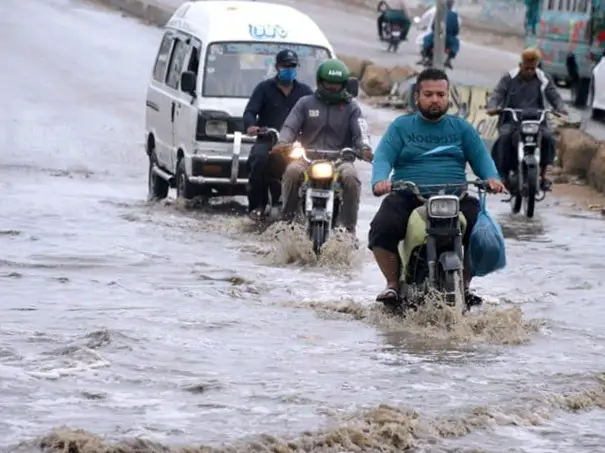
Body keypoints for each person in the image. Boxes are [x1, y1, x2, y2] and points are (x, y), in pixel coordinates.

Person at [368, 68, 505, 305]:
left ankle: (465, 284)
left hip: (455, 196)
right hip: (409, 196)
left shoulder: (462, 129)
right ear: (417, 97)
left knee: (482, 234)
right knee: (382, 228)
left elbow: (482, 158)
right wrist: (380, 180)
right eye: (429, 94)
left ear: (447, 97)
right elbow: (383, 156)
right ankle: (392, 285)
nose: (435, 100)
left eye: (440, 95)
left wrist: (492, 178)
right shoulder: (401, 127)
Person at [273, 59, 372, 236]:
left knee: (352, 178)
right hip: (307, 159)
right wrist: (283, 142)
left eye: (337, 84)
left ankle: (349, 230)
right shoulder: (305, 103)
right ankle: (286, 221)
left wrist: (364, 148)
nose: (333, 87)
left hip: (341, 160)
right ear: (320, 82)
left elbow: (361, 131)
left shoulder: (352, 108)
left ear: (345, 84)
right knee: (292, 172)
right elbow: (290, 127)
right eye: (329, 83)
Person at [243, 49, 314, 221]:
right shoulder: (264, 88)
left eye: (292, 66)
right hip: (269, 140)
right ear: (277, 67)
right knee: (259, 161)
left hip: (297, 144)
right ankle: (257, 206)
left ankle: (313, 208)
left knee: (316, 165)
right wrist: (252, 126)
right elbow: (250, 111)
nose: (289, 69)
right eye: (285, 66)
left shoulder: (305, 92)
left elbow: (315, 113)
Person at [486, 48, 568, 192]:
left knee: (548, 138)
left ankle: (543, 175)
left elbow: (554, 96)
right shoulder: (509, 78)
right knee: (504, 138)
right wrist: (493, 106)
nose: (530, 71)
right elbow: (498, 93)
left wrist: (561, 107)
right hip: (513, 120)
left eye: (533, 68)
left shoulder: (543, 78)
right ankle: (502, 175)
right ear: (521, 65)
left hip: (537, 121)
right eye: (527, 68)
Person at [420, 0, 460, 68]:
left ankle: (425, 56)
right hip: (449, 37)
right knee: (456, 44)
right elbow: (456, 30)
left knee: (426, 39)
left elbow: (433, 26)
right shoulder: (454, 15)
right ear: (451, 5)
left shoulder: (438, 12)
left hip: (437, 35)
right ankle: (448, 60)